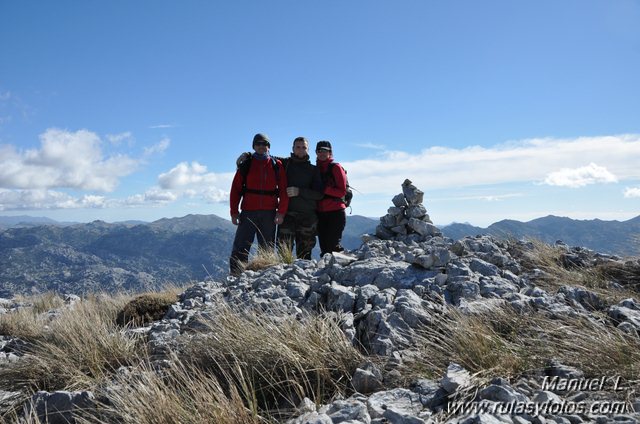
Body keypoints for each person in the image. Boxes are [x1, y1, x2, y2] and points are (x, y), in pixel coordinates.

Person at [228, 133, 288, 275]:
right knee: (241, 245)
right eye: (258, 144)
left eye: (265, 144)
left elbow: (284, 191)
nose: (262, 146)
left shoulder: (276, 165)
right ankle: (236, 275)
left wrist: (281, 212)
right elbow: (235, 189)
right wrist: (234, 212)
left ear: (269, 147)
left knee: (267, 247)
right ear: (254, 146)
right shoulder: (247, 164)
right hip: (248, 211)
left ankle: (266, 275)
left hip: (269, 212)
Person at [277, 137, 324, 259]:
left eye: (304, 147)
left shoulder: (313, 170)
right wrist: (249, 154)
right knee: (283, 253)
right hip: (287, 216)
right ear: (293, 149)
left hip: (307, 217)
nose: (301, 150)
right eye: (298, 147)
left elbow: (319, 194)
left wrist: (299, 191)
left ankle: (304, 278)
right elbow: (265, 156)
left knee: (305, 256)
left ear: (308, 150)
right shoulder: (285, 164)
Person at [315, 140, 347, 256]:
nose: (322, 153)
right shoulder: (316, 169)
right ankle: (326, 273)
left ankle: (339, 271)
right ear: (316, 152)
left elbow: (342, 192)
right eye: (319, 151)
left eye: (325, 151)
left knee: (333, 246)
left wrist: (324, 189)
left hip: (336, 212)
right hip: (320, 213)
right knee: (324, 248)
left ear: (330, 153)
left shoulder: (336, 167)